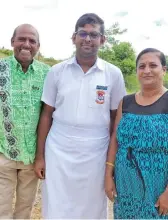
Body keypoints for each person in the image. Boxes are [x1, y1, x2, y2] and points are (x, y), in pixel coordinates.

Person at [34, 13, 126, 219]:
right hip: (58, 150)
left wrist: (112, 163)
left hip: (96, 152)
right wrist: (40, 156)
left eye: (94, 35)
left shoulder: (113, 74)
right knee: (56, 206)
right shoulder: (57, 72)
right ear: (73, 37)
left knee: (92, 207)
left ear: (102, 40)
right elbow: (46, 114)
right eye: (82, 33)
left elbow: (116, 120)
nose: (87, 39)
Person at [105, 48, 168, 219]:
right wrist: (108, 175)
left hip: (158, 183)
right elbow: (115, 141)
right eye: (142, 66)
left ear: (164, 69)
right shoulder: (126, 102)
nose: (147, 70)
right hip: (125, 182)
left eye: (153, 65)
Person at [0, 24, 50, 219]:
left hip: (32, 159)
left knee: (24, 209)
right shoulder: (1, 69)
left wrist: (41, 156)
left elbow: (49, 113)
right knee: (1, 209)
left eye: (32, 41)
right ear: (12, 42)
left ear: (38, 46)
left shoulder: (47, 73)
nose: (26, 44)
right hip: (4, 155)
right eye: (21, 39)